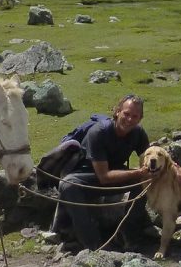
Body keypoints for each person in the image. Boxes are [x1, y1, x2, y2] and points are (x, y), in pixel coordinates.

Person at [56, 94, 157, 251]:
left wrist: (169, 167)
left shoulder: (138, 133)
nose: (130, 119)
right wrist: (139, 173)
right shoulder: (98, 133)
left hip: (112, 174)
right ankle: (95, 245)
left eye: (135, 116)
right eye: (126, 114)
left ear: (140, 118)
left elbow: (150, 157)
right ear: (117, 112)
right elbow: (104, 177)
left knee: (145, 182)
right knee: (69, 187)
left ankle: (128, 233)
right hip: (87, 177)